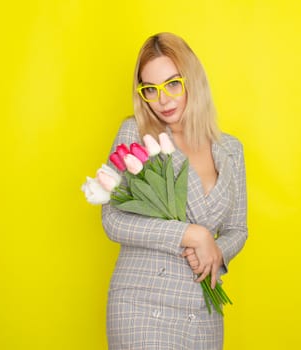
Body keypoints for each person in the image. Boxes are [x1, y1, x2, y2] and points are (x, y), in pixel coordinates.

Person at [101, 32, 248, 349]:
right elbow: (112, 218)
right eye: (150, 89)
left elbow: (238, 228)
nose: (163, 99)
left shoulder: (232, 150)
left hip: (203, 312)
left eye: (172, 84)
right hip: (142, 305)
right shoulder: (136, 134)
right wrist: (191, 234)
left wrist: (217, 252)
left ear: (192, 80)